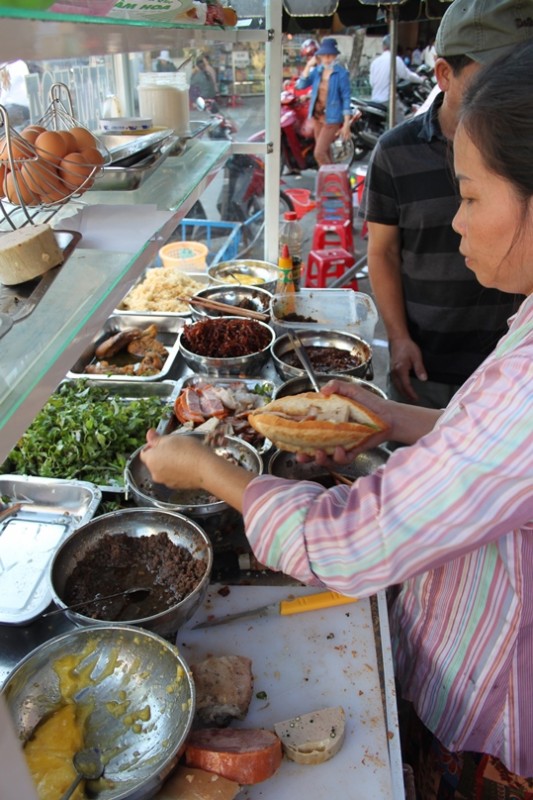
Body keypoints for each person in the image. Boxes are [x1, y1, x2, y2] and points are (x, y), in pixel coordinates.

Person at [141, 38, 533, 798]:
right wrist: (392, 419)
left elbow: (344, 543)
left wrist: (204, 469)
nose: (456, 223)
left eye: (472, 196)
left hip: (497, 714)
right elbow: (492, 448)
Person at [361, 0, 532, 410]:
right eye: (497, 74)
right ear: (443, 74)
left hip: (509, 368)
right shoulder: (395, 152)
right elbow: (381, 252)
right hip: (427, 367)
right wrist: (399, 337)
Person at [295, 37, 352, 167]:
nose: (327, 59)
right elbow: (301, 85)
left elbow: (346, 98)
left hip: (332, 119)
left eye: (330, 55)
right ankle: (332, 182)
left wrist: (346, 124)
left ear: (335, 56)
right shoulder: (318, 71)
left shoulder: (341, 74)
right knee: (325, 152)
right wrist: (309, 64)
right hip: (317, 116)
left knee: (319, 153)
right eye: (324, 55)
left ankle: (332, 179)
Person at [369, 34, 424, 108]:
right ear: (394, 46)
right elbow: (407, 75)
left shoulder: (375, 62)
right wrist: (421, 80)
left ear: (383, 46)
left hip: (374, 100)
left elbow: (372, 83)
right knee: (403, 116)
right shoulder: (395, 59)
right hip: (388, 100)